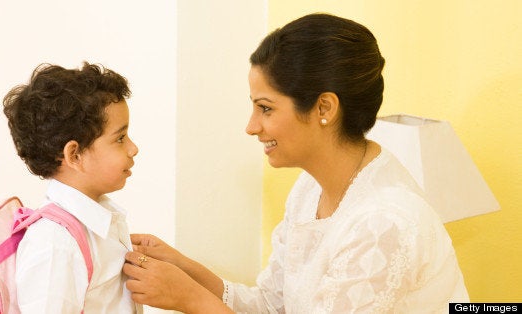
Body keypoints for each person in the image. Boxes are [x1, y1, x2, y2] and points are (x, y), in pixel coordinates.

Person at [123, 13, 469, 313]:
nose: (251, 126)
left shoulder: (383, 223)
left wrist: (191, 300)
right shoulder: (309, 190)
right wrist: (184, 269)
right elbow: (272, 306)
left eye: (266, 108)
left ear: (324, 109)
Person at [3, 62, 142, 313]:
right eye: (120, 138)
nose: (133, 148)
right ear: (74, 155)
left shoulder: (100, 221)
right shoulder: (54, 242)